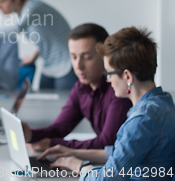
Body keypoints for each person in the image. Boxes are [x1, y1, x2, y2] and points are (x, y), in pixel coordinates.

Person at [38, 27, 175, 180]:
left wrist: (80, 166)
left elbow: (106, 178)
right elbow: (121, 153)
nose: (108, 79)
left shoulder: (142, 119)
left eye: (109, 73)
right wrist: (74, 153)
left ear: (127, 77)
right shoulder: (163, 102)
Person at [22, 23, 132, 151]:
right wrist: (31, 134)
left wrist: (54, 144)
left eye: (87, 57)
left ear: (105, 57)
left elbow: (107, 143)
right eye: (73, 57)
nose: (78, 65)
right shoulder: (80, 88)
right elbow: (59, 128)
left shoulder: (118, 89)